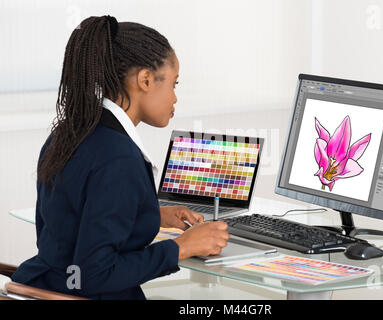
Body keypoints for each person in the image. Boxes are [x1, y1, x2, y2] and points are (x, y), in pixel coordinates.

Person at [11, 15, 229, 300]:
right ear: (146, 80)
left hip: (44, 285)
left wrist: (149, 214)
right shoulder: (119, 158)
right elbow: (93, 274)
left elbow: (71, 223)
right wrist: (181, 248)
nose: (175, 98)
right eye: (174, 84)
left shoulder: (67, 133)